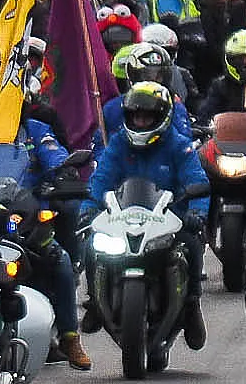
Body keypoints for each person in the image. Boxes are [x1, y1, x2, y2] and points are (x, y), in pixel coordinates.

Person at [0, 111, 93, 372]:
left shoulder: (35, 130)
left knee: (60, 261)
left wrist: (62, 172)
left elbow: (55, 155)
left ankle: (69, 337)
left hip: (29, 216)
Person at [85, 81, 209, 348]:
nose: (141, 122)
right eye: (136, 116)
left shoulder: (180, 146)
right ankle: (95, 301)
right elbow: (101, 179)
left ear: (162, 117)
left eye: (147, 116)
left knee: (192, 244)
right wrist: (88, 210)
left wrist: (197, 211)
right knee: (91, 245)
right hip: (122, 218)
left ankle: (191, 303)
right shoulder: (118, 144)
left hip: (169, 219)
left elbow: (196, 180)